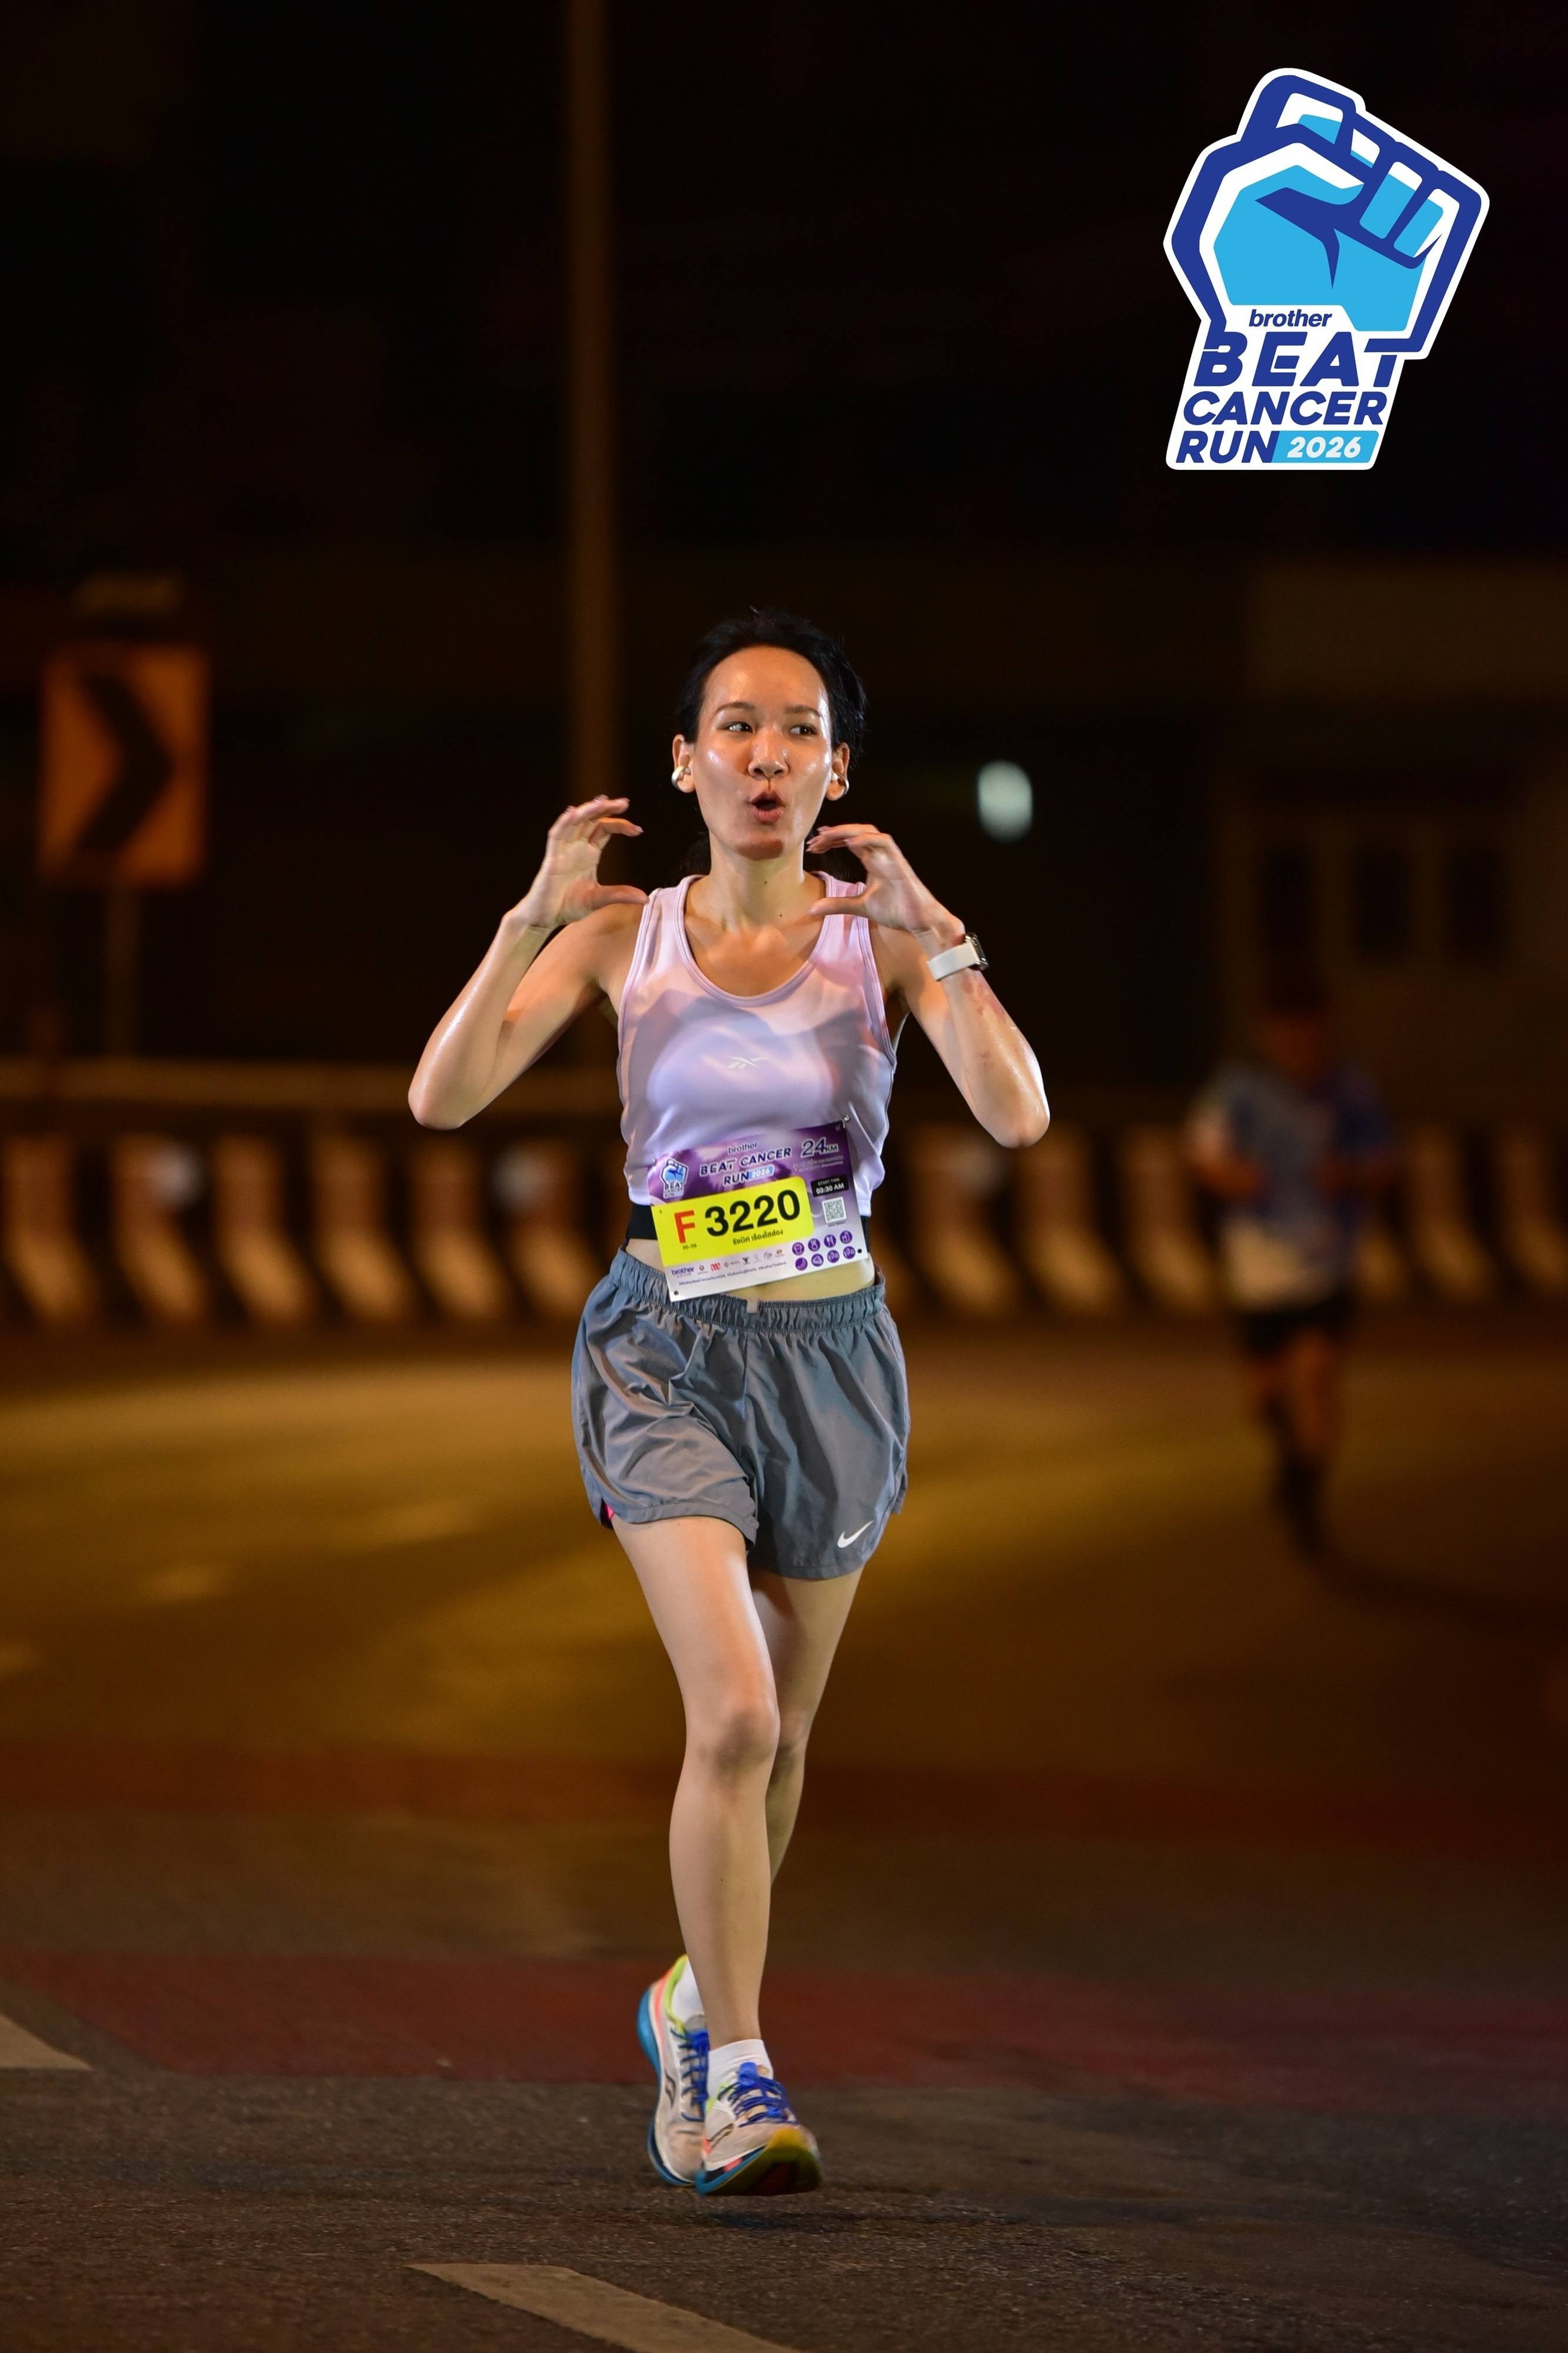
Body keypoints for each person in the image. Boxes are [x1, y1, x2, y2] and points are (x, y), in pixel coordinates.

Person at [409, 610, 1048, 2196]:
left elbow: (1017, 1116)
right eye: (736, 726)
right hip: (664, 1351)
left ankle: (695, 1996)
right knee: (739, 1712)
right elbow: (442, 1095)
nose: (766, 754)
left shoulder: (877, 943)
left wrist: (941, 930)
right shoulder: (621, 937)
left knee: (788, 1738)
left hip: (831, 1359)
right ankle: (736, 2078)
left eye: (798, 730)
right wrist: (525, 918)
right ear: (685, 762)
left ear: (838, 770)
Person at [1186, 975, 1396, 1556]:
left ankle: (1307, 1493)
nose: (1297, 1038)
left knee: (1316, 1370)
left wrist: (1350, 1174)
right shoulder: (1241, 1088)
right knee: (1264, 1394)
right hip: (1257, 1264)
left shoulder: (1349, 1090)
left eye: (1307, 1024)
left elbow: (1383, 1159)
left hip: (1326, 1258)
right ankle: (1291, 1459)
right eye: (1285, 1026)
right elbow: (1202, 1152)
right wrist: (1232, 1176)